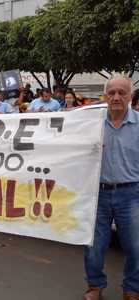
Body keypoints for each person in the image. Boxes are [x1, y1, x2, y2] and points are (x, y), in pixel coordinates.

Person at [83, 76, 139, 300]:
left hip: (131, 194)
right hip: (97, 193)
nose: (116, 97)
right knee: (93, 246)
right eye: (112, 92)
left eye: (122, 93)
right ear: (105, 96)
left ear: (130, 96)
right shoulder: (89, 125)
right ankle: (95, 287)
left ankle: (132, 288)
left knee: (135, 245)